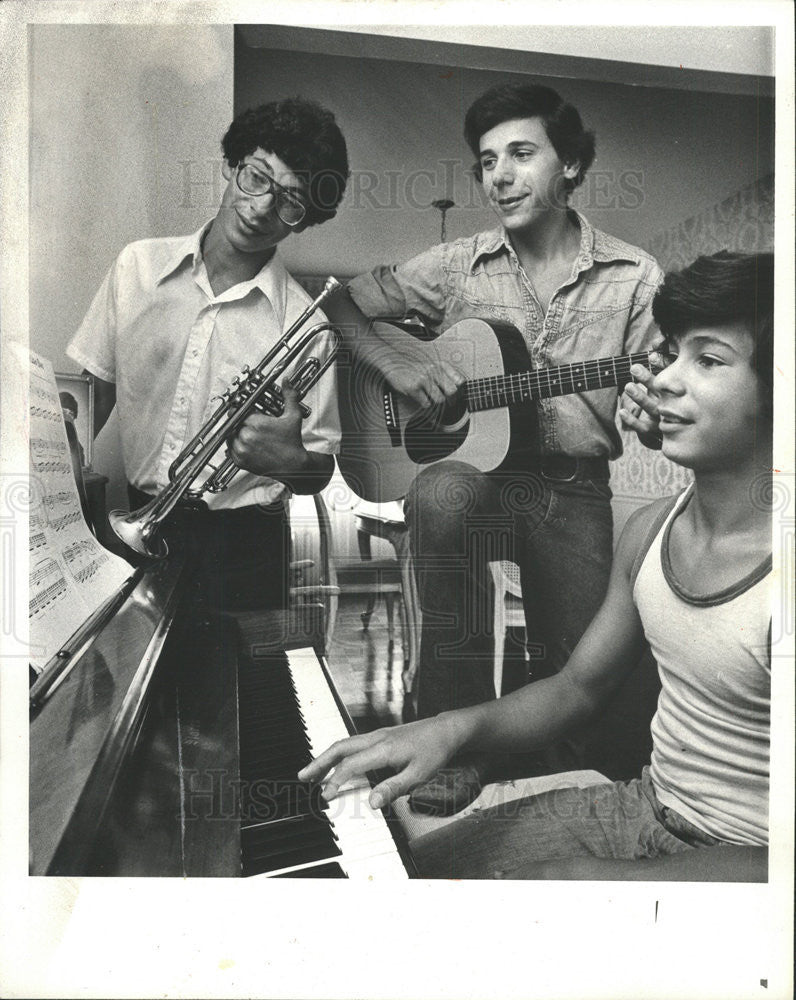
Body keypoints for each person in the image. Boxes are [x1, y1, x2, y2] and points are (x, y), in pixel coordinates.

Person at [301, 250, 774, 881]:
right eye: (672, 354)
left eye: (708, 361)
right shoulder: (649, 532)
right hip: (643, 806)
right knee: (407, 882)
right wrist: (447, 730)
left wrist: (608, 881)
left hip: (747, 867)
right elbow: (577, 688)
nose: (663, 378)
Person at [325, 82, 664, 814]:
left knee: (589, 687)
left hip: (573, 488)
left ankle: (562, 795)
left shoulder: (636, 277)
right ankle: (455, 743)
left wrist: (656, 412)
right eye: (486, 162)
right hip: (473, 474)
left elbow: (661, 412)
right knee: (440, 492)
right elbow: (337, 303)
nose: (499, 176)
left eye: (520, 153)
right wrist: (397, 365)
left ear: (569, 164)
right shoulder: (456, 264)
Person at [67, 98, 349, 611]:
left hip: (246, 546)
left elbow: (320, 468)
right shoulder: (137, 266)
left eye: (290, 201)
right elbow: (94, 393)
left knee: (238, 690)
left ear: (302, 221)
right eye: (256, 178)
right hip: (134, 519)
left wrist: (289, 462)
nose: (262, 207)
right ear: (231, 165)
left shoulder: (310, 328)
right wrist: (58, 468)